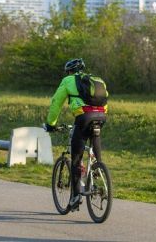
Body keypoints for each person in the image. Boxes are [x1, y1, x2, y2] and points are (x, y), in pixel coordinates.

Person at [44, 58, 107, 209]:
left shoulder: (68, 81)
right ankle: (98, 168)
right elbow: (104, 101)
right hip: (102, 116)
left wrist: (50, 124)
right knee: (95, 138)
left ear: (69, 72)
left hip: (84, 117)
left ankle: (75, 196)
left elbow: (56, 102)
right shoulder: (97, 80)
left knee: (76, 158)